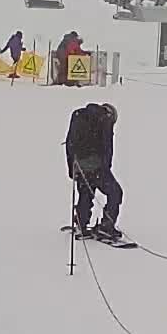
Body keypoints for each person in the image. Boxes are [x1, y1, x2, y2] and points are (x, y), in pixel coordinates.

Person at [64, 102, 122, 240]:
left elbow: (69, 143)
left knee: (86, 193)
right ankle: (106, 227)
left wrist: (72, 168)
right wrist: (105, 168)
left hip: (79, 165)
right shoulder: (105, 119)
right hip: (97, 166)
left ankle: (81, 223)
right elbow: (107, 147)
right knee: (115, 192)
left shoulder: (79, 116)